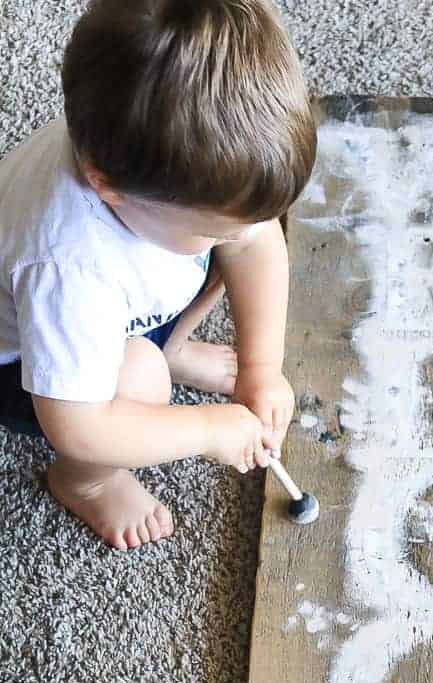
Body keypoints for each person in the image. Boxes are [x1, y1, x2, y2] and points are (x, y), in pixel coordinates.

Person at [0, 0, 317, 550]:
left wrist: (261, 367)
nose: (241, 234)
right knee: (141, 375)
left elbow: (254, 240)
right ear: (106, 187)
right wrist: (207, 430)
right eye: (215, 231)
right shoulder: (66, 266)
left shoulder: (144, 152)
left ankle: (171, 344)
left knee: (230, 254)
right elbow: (77, 424)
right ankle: (86, 482)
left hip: (123, 301)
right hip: (26, 364)